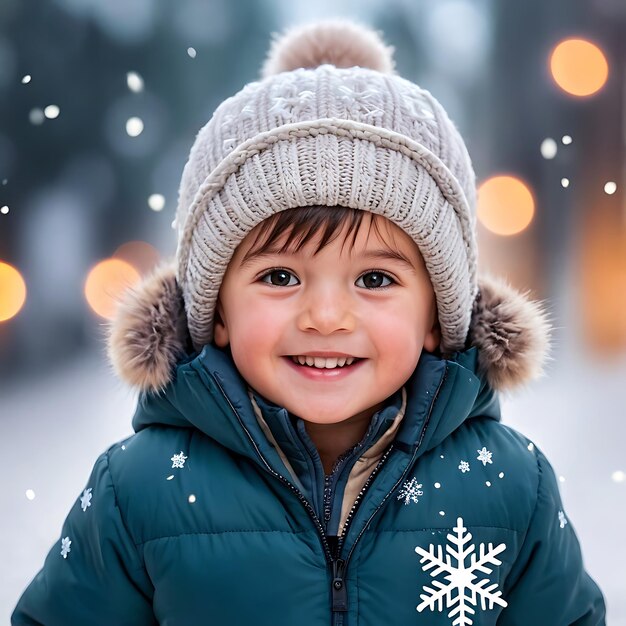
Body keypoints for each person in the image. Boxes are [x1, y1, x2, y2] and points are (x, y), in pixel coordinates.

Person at [12, 19, 606, 626]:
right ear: (216, 310)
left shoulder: (505, 485)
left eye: (375, 280)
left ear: (436, 317)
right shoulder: (140, 490)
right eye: (280, 277)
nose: (325, 317)